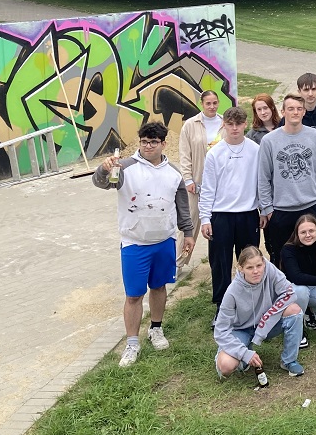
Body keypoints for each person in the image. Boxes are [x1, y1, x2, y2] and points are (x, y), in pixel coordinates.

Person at [93, 121, 193, 368]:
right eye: (144, 142)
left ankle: (156, 329)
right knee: (134, 295)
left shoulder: (174, 173)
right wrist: (104, 169)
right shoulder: (125, 167)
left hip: (164, 241)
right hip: (135, 243)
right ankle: (132, 343)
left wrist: (188, 233)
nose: (148, 146)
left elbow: (182, 206)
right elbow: (102, 183)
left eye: (153, 142)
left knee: (159, 288)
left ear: (163, 144)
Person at [199, 106, 263, 314]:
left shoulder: (255, 149)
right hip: (221, 216)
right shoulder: (214, 153)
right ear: (223, 125)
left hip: (248, 214)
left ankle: (250, 303)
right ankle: (222, 307)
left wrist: (263, 209)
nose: (234, 128)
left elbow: (261, 183)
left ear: (245, 125)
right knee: (220, 264)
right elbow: (207, 188)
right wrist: (205, 218)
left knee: (250, 261)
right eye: (230, 124)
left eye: (239, 124)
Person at [257, 93, 316, 263]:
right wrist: (267, 208)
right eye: (291, 109)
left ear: (304, 111)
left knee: (313, 257)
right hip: (281, 211)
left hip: (311, 206)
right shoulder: (269, 141)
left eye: (299, 109)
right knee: (281, 257)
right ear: (283, 111)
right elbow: (263, 176)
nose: (295, 112)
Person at [214, 246, 305, 381]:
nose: (256, 271)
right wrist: (244, 354)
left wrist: (265, 322)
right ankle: (243, 354)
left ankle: (289, 361)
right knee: (225, 367)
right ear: (241, 268)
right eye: (250, 268)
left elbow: (289, 293)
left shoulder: (270, 269)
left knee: (294, 310)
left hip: (266, 324)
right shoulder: (232, 292)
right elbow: (220, 331)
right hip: (241, 330)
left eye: (259, 265)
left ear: (264, 262)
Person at [178, 89, 223, 267]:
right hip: (196, 184)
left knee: (219, 225)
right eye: (208, 103)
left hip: (221, 185)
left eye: (215, 103)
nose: (212, 106)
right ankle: (178, 263)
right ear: (201, 104)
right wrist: (187, 179)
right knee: (189, 224)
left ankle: (219, 262)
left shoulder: (225, 123)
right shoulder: (190, 125)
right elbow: (184, 154)